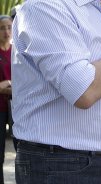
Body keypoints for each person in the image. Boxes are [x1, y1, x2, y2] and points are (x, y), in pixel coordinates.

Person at [11, 0, 101, 183]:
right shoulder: (46, 5)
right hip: (65, 164)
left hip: (97, 162)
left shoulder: (99, 14)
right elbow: (83, 90)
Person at [0, 15, 12, 184]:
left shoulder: (18, 51)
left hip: (17, 107)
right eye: (2, 28)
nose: (6, 31)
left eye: (9, 27)